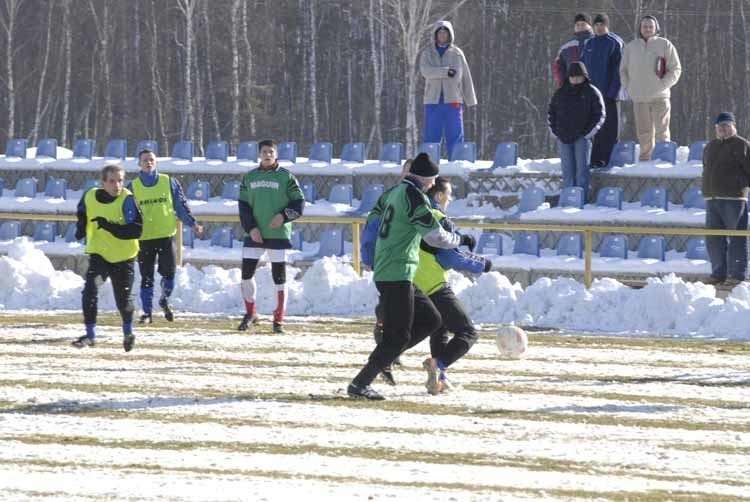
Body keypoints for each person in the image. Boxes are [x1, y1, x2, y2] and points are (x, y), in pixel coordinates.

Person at [348, 153, 475, 401]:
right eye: (432, 180)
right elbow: (434, 236)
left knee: (432, 319)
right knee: (400, 336)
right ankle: (362, 381)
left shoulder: (395, 192)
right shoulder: (414, 197)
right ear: (426, 179)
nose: (432, 185)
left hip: (397, 269)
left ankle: (385, 356)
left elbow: (375, 219)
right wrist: (461, 239)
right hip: (397, 270)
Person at [364, 177, 491, 393]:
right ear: (439, 196)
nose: (449, 201)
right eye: (449, 196)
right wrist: (483, 265)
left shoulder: (409, 212)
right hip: (433, 285)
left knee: (438, 327)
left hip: (409, 282)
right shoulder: (439, 219)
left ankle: (438, 379)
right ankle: (436, 364)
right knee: (468, 332)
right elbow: (451, 257)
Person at [71, 164, 143, 352]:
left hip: (124, 257)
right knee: (90, 290)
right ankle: (90, 335)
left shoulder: (128, 200)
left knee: (123, 300)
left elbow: (136, 229)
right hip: (100, 254)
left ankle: (128, 333)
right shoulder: (90, 195)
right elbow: (82, 210)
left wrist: (109, 226)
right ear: (102, 182)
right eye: (112, 181)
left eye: (120, 180)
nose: (117, 185)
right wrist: (80, 227)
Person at [127, 149, 203, 323]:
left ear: (156, 162)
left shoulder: (168, 182)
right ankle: (147, 313)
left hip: (166, 236)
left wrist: (193, 223)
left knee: (169, 274)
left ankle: (164, 298)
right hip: (144, 238)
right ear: (139, 164)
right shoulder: (133, 187)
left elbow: (180, 206)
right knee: (146, 276)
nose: (148, 162)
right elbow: (127, 212)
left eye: (151, 159)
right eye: (145, 160)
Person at [237, 139, 305, 333]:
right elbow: (243, 207)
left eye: (271, 152)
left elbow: (299, 204)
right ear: (259, 154)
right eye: (264, 152)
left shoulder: (286, 177)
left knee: (279, 277)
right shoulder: (249, 177)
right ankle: (251, 313)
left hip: (278, 234)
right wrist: (251, 228)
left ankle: (279, 319)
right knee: (246, 274)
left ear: (276, 155)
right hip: (255, 233)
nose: (268, 155)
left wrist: (283, 216)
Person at [620, 15, 681, 161]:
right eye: (644, 26)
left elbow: (676, 69)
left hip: (660, 96)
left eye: (650, 26)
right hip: (639, 97)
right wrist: (629, 87)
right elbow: (623, 70)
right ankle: (645, 159)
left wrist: (663, 84)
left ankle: (664, 159)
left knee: (662, 131)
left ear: (655, 28)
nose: (647, 29)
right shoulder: (631, 47)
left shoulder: (665, 44)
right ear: (640, 29)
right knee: (644, 132)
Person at [701, 112, 750, 287]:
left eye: (726, 125)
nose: (723, 129)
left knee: (736, 238)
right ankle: (718, 274)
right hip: (712, 199)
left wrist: (737, 183)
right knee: (714, 239)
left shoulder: (742, 145)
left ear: (733, 126)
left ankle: (737, 276)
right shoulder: (710, 146)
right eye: (720, 126)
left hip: (734, 199)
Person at [419, 20, 477, 160]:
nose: (442, 35)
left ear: (450, 34)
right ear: (435, 35)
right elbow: (426, 71)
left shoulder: (457, 53)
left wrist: (470, 100)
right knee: (431, 137)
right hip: (433, 101)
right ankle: (428, 166)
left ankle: (457, 165)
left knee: (455, 136)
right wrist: (446, 72)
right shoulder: (428, 53)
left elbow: (466, 77)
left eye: (445, 32)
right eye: (440, 32)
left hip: (453, 101)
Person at [548, 61, 605, 201]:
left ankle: (581, 200)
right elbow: (551, 113)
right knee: (567, 172)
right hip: (563, 138)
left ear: (584, 76)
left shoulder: (592, 92)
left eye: (578, 77)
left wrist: (587, 134)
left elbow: (599, 114)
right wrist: (556, 132)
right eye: (572, 77)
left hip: (582, 139)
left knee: (581, 172)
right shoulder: (560, 93)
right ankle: (568, 200)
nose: (575, 79)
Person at [581, 13, 624, 167]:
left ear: (607, 26)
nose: (599, 28)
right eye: (596, 25)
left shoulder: (614, 42)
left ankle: (609, 158)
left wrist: (613, 92)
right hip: (592, 94)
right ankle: (595, 159)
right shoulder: (589, 43)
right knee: (594, 127)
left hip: (608, 93)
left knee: (610, 128)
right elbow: (582, 67)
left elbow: (620, 70)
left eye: (602, 25)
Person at [553, 13, 594, 88]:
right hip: (572, 87)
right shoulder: (566, 47)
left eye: (583, 24)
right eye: (577, 24)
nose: (580, 27)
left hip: (594, 85)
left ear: (590, 26)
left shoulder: (597, 43)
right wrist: (562, 85)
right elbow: (558, 67)